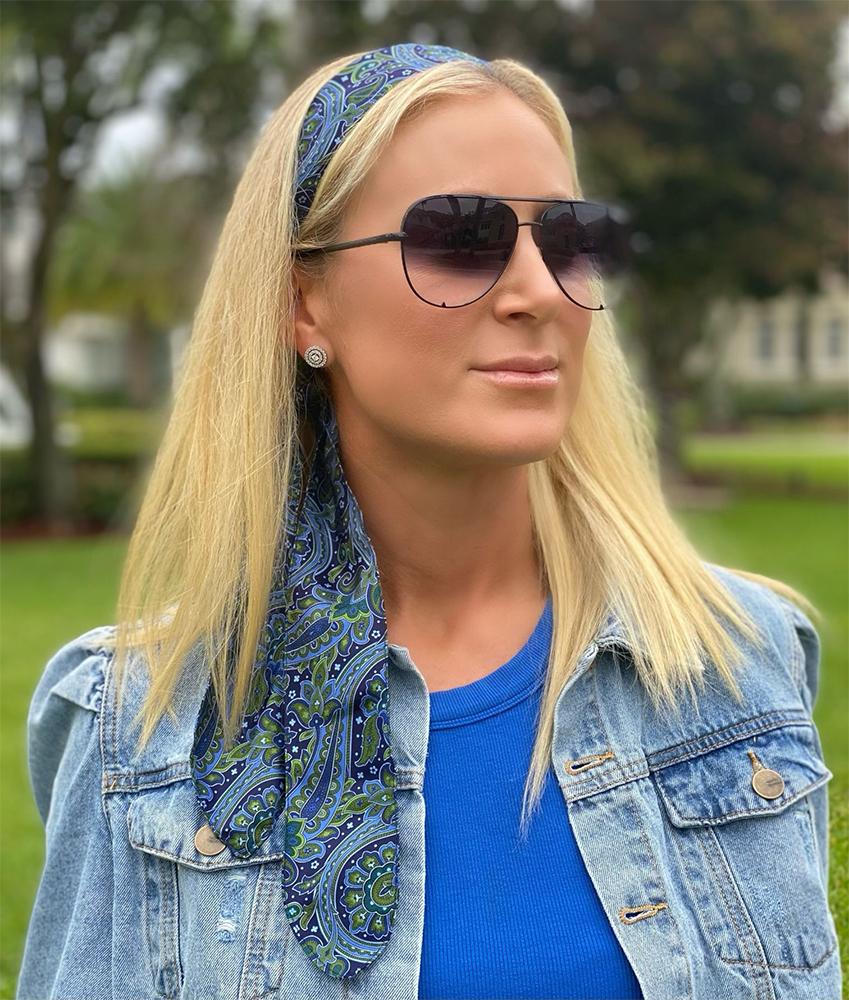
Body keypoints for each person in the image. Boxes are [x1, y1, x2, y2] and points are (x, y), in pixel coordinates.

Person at [17, 42, 841, 1000]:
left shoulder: (735, 660)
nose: (539, 291)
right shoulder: (143, 725)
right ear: (302, 302)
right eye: (458, 238)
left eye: (568, 239)